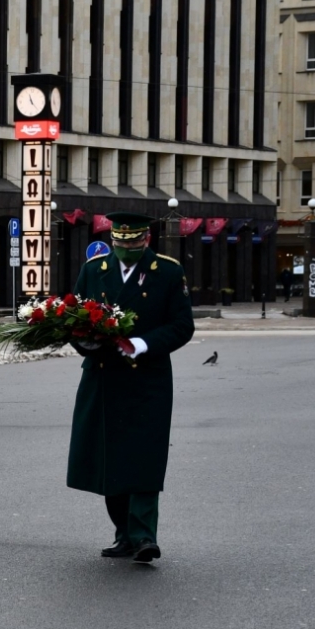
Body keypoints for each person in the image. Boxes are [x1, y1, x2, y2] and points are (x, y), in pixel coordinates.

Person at [66, 213, 194, 564]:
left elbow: (183, 325)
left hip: (146, 378)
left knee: (144, 458)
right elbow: (73, 317)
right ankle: (124, 534)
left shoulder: (167, 272)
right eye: (119, 242)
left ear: (146, 240)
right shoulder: (94, 269)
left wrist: (141, 344)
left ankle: (143, 535)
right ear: (112, 240)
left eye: (133, 242)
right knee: (109, 458)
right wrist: (86, 344)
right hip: (103, 377)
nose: (125, 248)